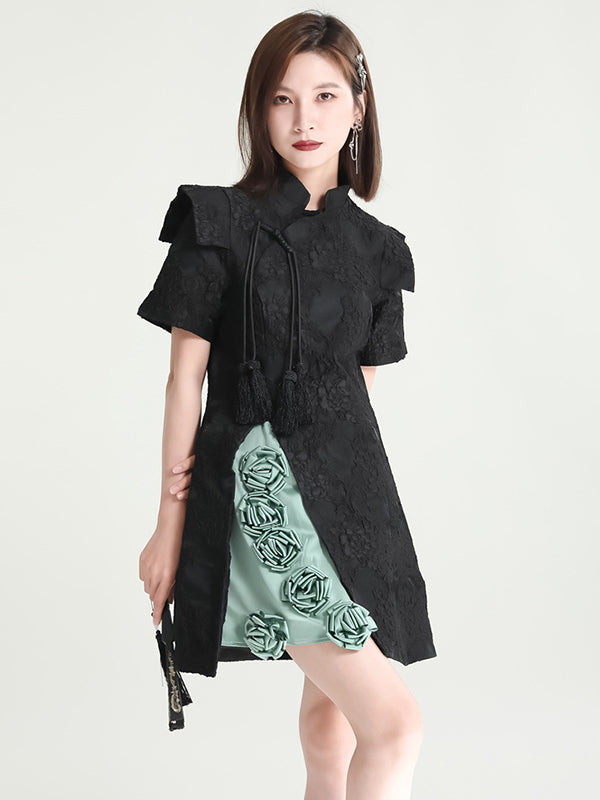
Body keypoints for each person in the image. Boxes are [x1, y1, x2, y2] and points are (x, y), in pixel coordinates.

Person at [137, 10, 437, 799]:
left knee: (332, 721)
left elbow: (359, 397)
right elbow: (183, 381)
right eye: (282, 99)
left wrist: (363, 530)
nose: (305, 119)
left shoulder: (380, 250)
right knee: (395, 724)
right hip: (259, 488)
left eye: (326, 96)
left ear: (358, 109)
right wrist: (169, 524)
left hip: (350, 492)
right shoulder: (216, 224)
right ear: (258, 110)